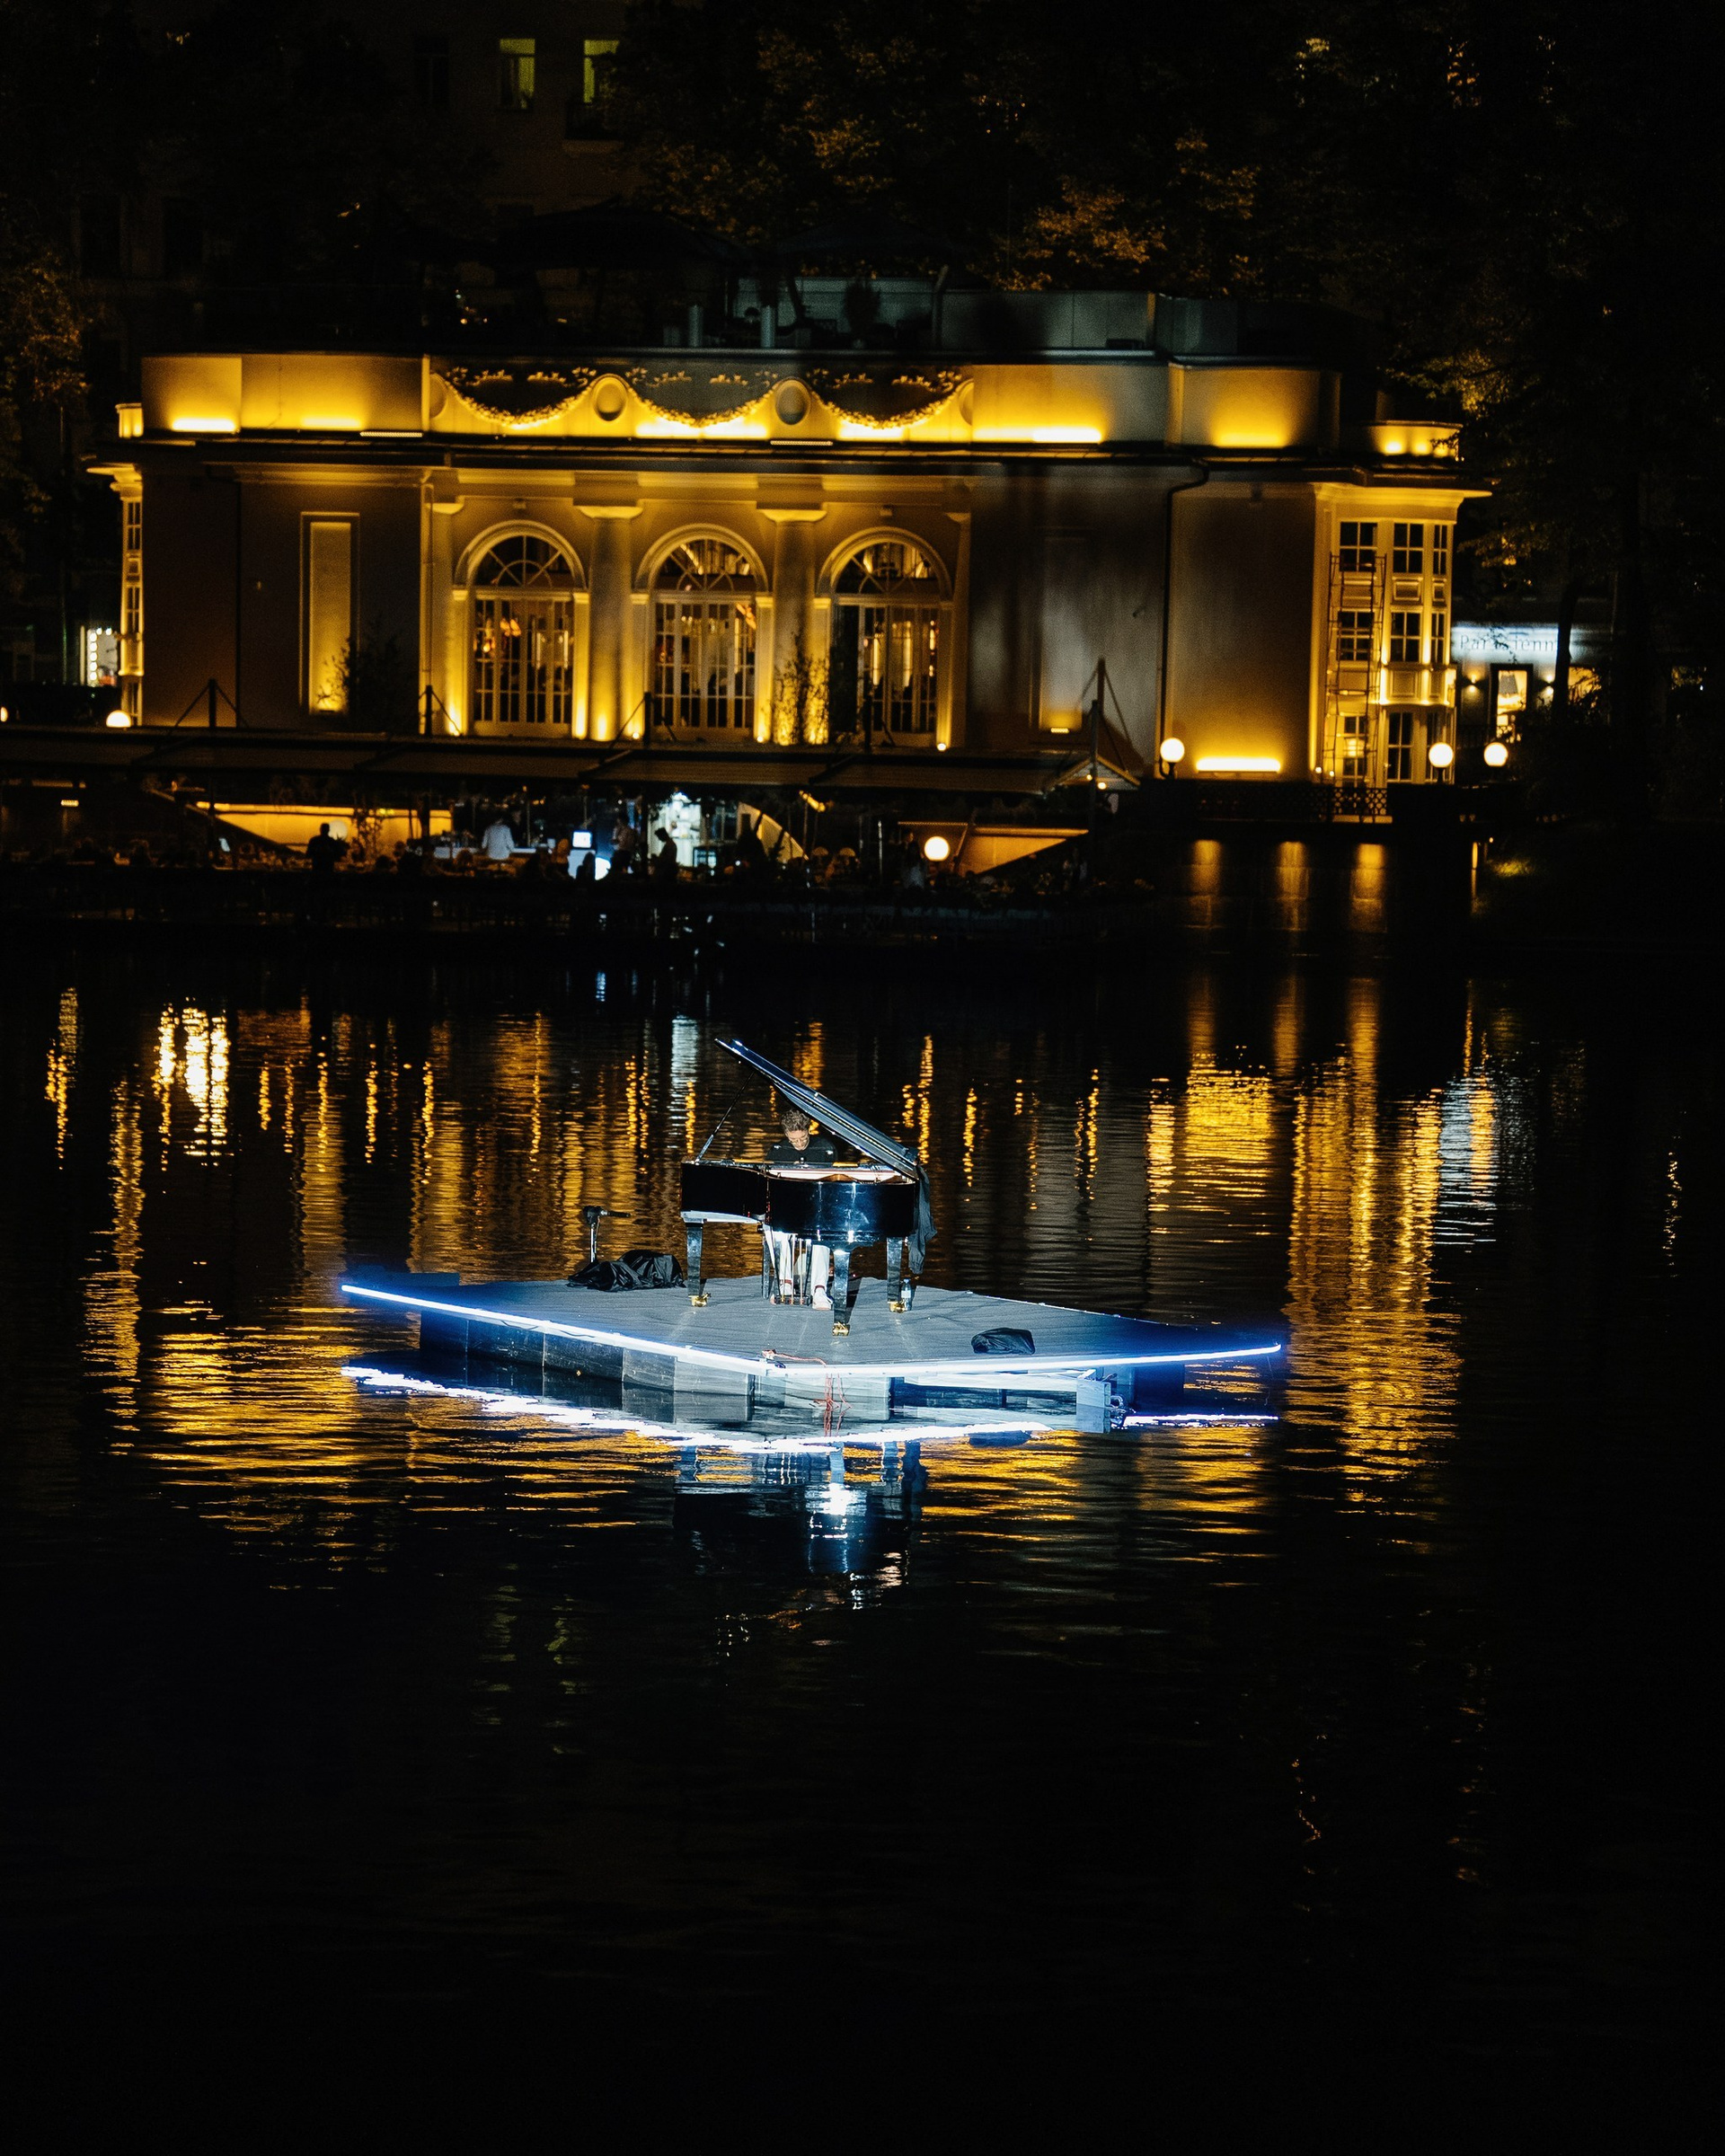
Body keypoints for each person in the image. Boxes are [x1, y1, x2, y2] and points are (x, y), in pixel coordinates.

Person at [765, 1106, 842, 1307]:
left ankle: (819, 1290)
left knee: (822, 1230)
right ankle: (785, 1284)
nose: (799, 1144)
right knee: (773, 1229)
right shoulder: (778, 1151)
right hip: (787, 1208)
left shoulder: (825, 1148)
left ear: (808, 1130)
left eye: (803, 1138)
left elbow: (834, 1183)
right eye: (794, 1140)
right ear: (786, 1135)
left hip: (818, 1207)